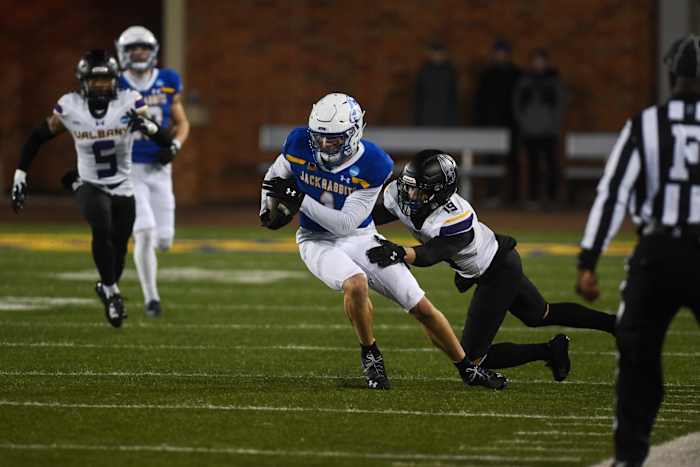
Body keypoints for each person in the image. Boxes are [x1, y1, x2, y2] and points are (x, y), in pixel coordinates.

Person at [260, 93, 507, 390]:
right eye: (320, 138)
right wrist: (267, 208)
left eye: (335, 139)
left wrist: (299, 200)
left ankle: (468, 369)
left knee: (421, 307)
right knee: (355, 282)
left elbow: (345, 223)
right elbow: (275, 176)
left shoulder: (375, 163)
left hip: (358, 235)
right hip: (315, 240)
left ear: (353, 133)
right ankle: (371, 354)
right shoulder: (298, 142)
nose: (325, 146)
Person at [367, 150, 616, 381]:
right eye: (408, 188)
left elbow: (432, 254)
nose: (410, 196)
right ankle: (613, 325)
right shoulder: (401, 196)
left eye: (419, 191)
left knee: (472, 358)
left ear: (440, 193)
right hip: (493, 260)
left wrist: (399, 252)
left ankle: (550, 350)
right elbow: (374, 215)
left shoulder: (456, 216)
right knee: (540, 314)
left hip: (497, 270)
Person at [576, 35, 700, 466]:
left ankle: (630, 456)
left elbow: (614, 195)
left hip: (659, 252)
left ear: (670, 75)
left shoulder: (647, 124)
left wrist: (589, 259)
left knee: (638, 356)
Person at [9, 49, 174, 328]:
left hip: (123, 184)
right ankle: (112, 294)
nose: (101, 86)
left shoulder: (129, 101)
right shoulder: (70, 106)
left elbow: (164, 140)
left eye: (106, 80)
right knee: (101, 223)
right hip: (92, 183)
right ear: (83, 81)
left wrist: (148, 127)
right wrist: (20, 175)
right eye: (94, 81)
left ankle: (109, 287)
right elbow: (37, 137)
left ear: (114, 80)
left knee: (120, 245)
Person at [115, 26, 190, 317]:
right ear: (123, 52)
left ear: (153, 51)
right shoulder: (116, 84)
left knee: (164, 241)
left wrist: (175, 146)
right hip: (129, 168)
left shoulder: (168, 80)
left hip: (160, 169)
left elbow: (182, 123)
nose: (138, 53)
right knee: (144, 233)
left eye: (142, 48)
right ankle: (152, 299)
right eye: (132, 48)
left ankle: (151, 290)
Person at [513, 48, 565, 205]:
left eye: (541, 61)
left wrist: (554, 124)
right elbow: (516, 104)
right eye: (536, 61)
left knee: (552, 165)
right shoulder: (525, 81)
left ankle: (551, 198)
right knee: (533, 166)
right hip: (530, 131)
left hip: (549, 131)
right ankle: (533, 198)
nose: (539, 64)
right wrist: (524, 122)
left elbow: (561, 104)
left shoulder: (554, 81)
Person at [473, 39, 522, 204]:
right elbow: (480, 101)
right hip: (491, 124)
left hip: (512, 124)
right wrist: (480, 122)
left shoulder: (516, 74)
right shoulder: (488, 75)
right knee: (490, 160)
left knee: (513, 161)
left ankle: (513, 196)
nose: (500, 56)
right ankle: (492, 194)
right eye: (498, 52)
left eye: (503, 52)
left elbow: (520, 101)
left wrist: (519, 120)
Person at [414, 42, 459, 126]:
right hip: (427, 117)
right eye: (435, 53)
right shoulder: (424, 72)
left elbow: (453, 99)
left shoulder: (450, 73)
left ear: (445, 54)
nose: (437, 56)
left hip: (445, 118)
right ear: (430, 54)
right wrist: (417, 121)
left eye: (440, 53)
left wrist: (453, 121)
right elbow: (419, 98)